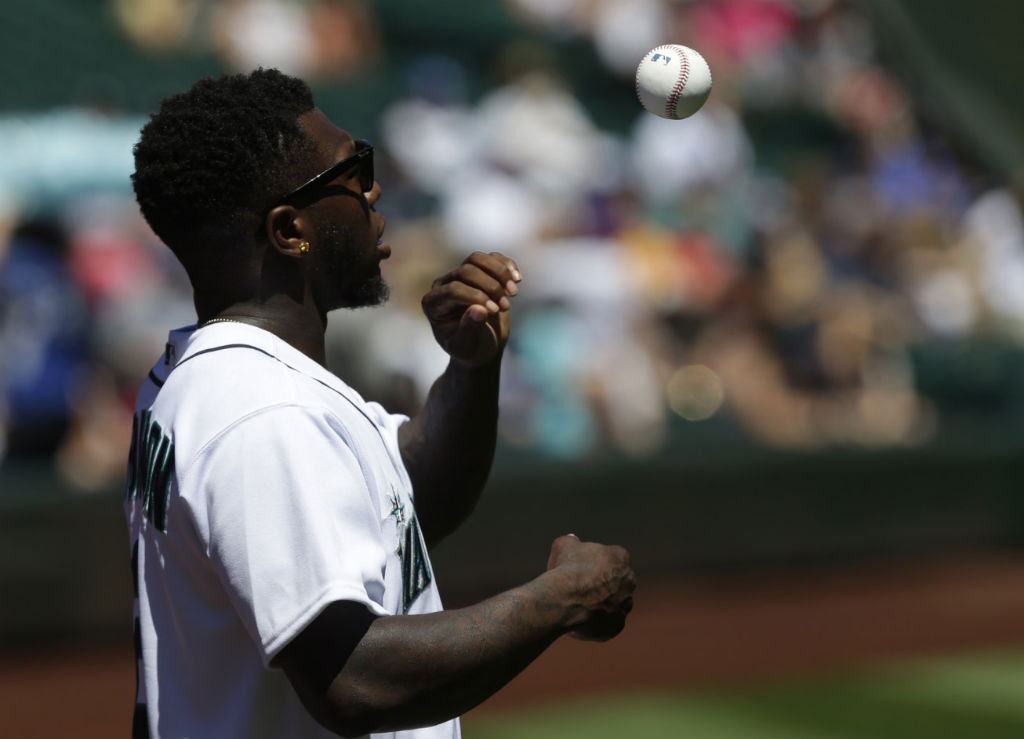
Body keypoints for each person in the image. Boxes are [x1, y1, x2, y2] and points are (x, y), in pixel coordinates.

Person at [125, 68, 636, 739]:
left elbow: (409, 497)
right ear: (289, 230)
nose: (373, 187)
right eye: (353, 168)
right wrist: (561, 599)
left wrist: (471, 365)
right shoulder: (263, 411)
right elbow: (353, 678)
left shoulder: (205, 378)